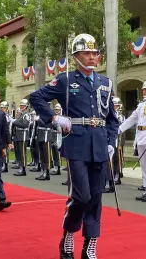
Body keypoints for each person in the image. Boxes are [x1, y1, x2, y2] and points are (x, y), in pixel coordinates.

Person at [29, 33, 119, 259]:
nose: (91, 57)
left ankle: (90, 243)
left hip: (99, 145)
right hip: (76, 143)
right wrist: (54, 118)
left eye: (94, 53)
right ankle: (69, 233)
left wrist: (110, 142)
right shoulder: (65, 80)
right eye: (86, 53)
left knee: (96, 196)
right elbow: (36, 97)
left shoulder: (105, 83)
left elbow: (111, 119)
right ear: (76, 56)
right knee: (81, 195)